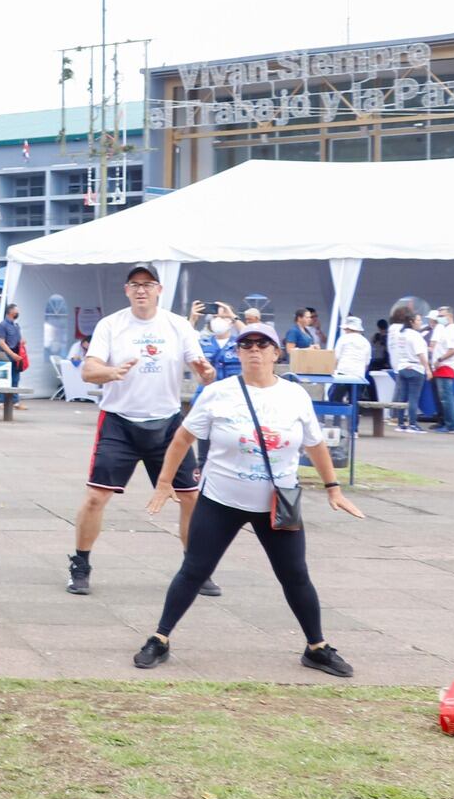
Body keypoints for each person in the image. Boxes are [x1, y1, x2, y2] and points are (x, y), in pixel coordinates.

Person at [135, 321, 363, 677]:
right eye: (247, 345)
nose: (254, 350)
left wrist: (333, 487)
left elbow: (315, 444)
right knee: (194, 569)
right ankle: (159, 638)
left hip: (276, 503)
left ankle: (316, 647)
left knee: (295, 575)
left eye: (262, 344)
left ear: (276, 353)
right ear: (238, 353)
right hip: (221, 499)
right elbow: (182, 438)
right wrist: (164, 482)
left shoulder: (294, 395)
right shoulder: (218, 392)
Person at [66, 266, 218, 598]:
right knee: (96, 497)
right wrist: (110, 371)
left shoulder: (177, 325)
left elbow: (201, 366)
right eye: (135, 285)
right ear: (126, 290)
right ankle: (81, 564)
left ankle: (196, 568)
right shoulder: (112, 325)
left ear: (159, 289)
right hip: (119, 421)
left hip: (167, 424)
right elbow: (89, 370)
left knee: (191, 497)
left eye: (147, 285)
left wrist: (206, 373)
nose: (141, 290)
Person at [387, 306, 431, 433]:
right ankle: (412, 424)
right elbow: (420, 354)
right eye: (418, 320)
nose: (421, 323)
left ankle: (401, 423)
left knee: (402, 397)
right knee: (413, 398)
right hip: (415, 368)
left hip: (402, 367)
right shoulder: (416, 336)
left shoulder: (402, 334)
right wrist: (427, 368)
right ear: (411, 321)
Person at [429, 307, 454, 433]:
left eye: (442, 315)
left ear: (450, 315)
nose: (439, 318)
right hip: (442, 367)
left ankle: (451, 425)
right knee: (445, 398)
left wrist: (440, 359)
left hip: (446, 366)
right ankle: (448, 423)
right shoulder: (447, 330)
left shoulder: (452, 330)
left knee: (447, 398)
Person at [329, 315, 371, 406]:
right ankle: (353, 419)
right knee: (354, 403)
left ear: (348, 328)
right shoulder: (366, 342)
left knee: (335, 399)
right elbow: (367, 363)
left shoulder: (343, 339)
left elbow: (335, 357)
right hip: (358, 376)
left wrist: (332, 372)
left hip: (343, 374)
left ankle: (337, 419)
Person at [199, 307, 243, 382]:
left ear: (231, 321)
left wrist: (233, 316)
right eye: (215, 317)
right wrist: (193, 319)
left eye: (223, 317)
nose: (218, 320)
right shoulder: (203, 343)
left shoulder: (240, 344)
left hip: (233, 389)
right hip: (208, 389)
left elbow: (249, 334)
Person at [0, 303, 27, 408]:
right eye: (16, 311)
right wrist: (11, 354)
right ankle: (2, 402)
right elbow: (2, 343)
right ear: (11, 312)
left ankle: (15, 402)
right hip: (6, 355)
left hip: (16, 355)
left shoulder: (16, 325)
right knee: (3, 378)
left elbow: (19, 339)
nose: (18, 313)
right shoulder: (3, 325)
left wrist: (22, 343)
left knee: (15, 378)